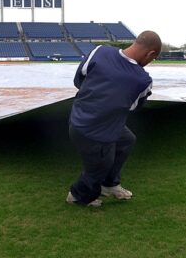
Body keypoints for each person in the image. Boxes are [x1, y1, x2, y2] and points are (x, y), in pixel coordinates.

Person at [66, 31, 162, 207]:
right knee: (99, 166)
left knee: (126, 141)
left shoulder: (99, 51)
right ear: (150, 54)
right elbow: (134, 107)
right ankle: (77, 195)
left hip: (79, 119)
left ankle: (109, 184)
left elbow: (79, 80)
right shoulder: (142, 79)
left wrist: (95, 97)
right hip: (95, 132)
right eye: (152, 59)